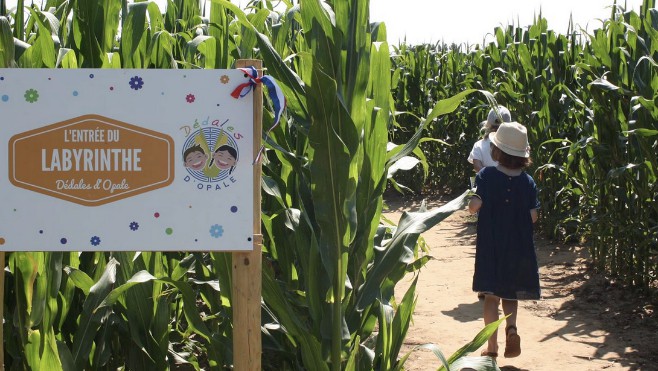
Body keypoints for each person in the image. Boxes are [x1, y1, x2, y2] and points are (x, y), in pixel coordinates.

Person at [467, 122, 540, 359]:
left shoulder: (486, 176)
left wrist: (471, 203)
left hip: (492, 246)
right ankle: (512, 328)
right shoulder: (528, 182)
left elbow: (474, 206)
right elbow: (533, 216)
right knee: (510, 295)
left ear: (496, 152)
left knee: (490, 297)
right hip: (518, 248)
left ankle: (492, 347)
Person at [469, 105, 512, 300]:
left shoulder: (480, 145)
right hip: (510, 199)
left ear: (487, 125)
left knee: (487, 243)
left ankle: (485, 286)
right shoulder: (513, 147)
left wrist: (488, 176)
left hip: (486, 200)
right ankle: (505, 283)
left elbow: (477, 168)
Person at [467, 105, 512, 172]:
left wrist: (489, 177)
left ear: (488, 124)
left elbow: (477, 166)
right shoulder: (513, 145)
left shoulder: (479, 145)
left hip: (486, 181)